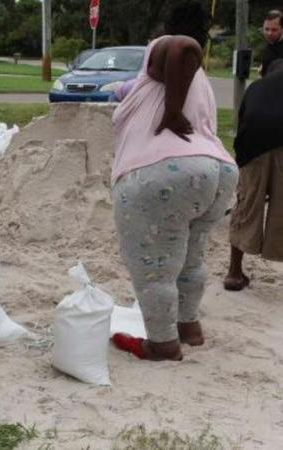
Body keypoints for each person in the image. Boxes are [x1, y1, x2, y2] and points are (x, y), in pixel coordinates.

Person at [110, 1, 238, 361]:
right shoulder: (200, 81)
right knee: (190, 259)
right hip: (217, 171)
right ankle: (188, 327)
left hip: (164, 171)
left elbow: (183, 47)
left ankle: (162, 344)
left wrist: (170, 113)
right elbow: (140, 86)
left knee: (154, 267)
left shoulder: (168, 45)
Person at [223, 59, 283, 291]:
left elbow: (243, 121)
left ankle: (234, 273)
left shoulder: (256, 87)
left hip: (252, 150)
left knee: (246, 207)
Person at [260, 10, 283, 77]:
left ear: (282, 28)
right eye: (266, 29)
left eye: (274, 30)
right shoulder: (269, 45)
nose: (269, 33)